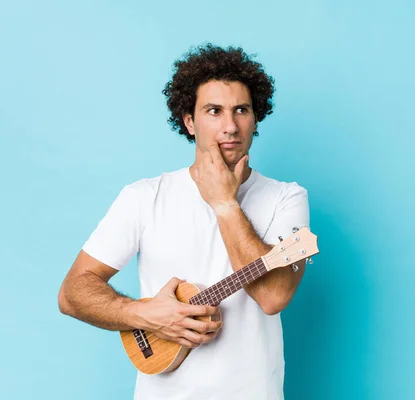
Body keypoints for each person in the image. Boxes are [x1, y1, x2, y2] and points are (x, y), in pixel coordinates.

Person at [58, 43, 310, 400]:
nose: (229, 126)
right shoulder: (145, 196)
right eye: (213, 111)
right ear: (189, 121)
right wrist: (144, 315)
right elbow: (72, 293)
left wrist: (224, 202)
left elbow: (272, 297)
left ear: (255, 119)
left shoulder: (287, 197)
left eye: (241, 110)